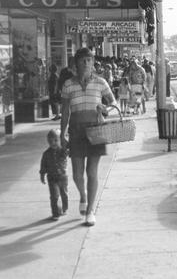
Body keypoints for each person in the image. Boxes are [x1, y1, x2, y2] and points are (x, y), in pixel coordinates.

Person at [60, 48, 117, 227]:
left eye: (89, 60)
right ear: (76, 63)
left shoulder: (101, 82)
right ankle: (83, 196)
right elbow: (64, 112)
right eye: (83, 60)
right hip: (76, 130)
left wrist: (105, 109)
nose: (86, 63)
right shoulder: (68, 84)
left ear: (93, 63)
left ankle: (90, 211)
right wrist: (62, 133)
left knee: (91, 172)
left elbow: (113, 103)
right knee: (77, 174)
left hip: (96, 130)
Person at [40, 129, 68, 221]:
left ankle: (64, 208)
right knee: (54, 196)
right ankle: (56, 213)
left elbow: (68, 152)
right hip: (52, 178)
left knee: (64, 194)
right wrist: (42, 175)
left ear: (60, 140)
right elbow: (43, 166)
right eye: (50, 141)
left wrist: (65, 142)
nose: (53, 143)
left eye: (56, 140)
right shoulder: (46, 154)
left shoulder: (63, 151)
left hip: (63, 177)